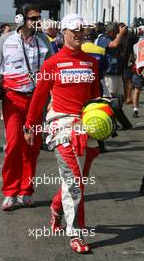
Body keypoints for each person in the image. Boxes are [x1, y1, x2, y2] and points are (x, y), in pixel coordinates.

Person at [24, 13, 100, 253]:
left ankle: (57, 207)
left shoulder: (92, 62)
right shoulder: (51, 63)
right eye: (74, 30)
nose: (78, 33)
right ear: (64, 32)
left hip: (87, 126)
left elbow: (95, 98)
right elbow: (38, 99)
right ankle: (77, 233)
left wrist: (104, 119)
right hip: (62, 127)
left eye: (82, 30)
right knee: (75, 181)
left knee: (79, 181)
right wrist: (30, 126)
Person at [0, 3, 53, 210]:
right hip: (12, 99)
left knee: (32, 147)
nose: (37, 21)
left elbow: (51, 72)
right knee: (14, 145)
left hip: (36, 101)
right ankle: (10, 192)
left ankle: (26, 191)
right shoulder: (6, 40)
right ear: (21, 19)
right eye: (33, 18)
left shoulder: (43, 41)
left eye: (38, 17)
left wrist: (52, 101)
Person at [95, 22, 127, 103]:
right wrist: (121, 33)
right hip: (108, 75)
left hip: (118, 73)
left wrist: (122, 35)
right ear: (112, 31)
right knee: (110, 99)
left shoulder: (117, 38)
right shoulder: (103, 38)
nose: (117, 34)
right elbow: (114, 44)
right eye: (117, 31)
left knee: (119, 99)